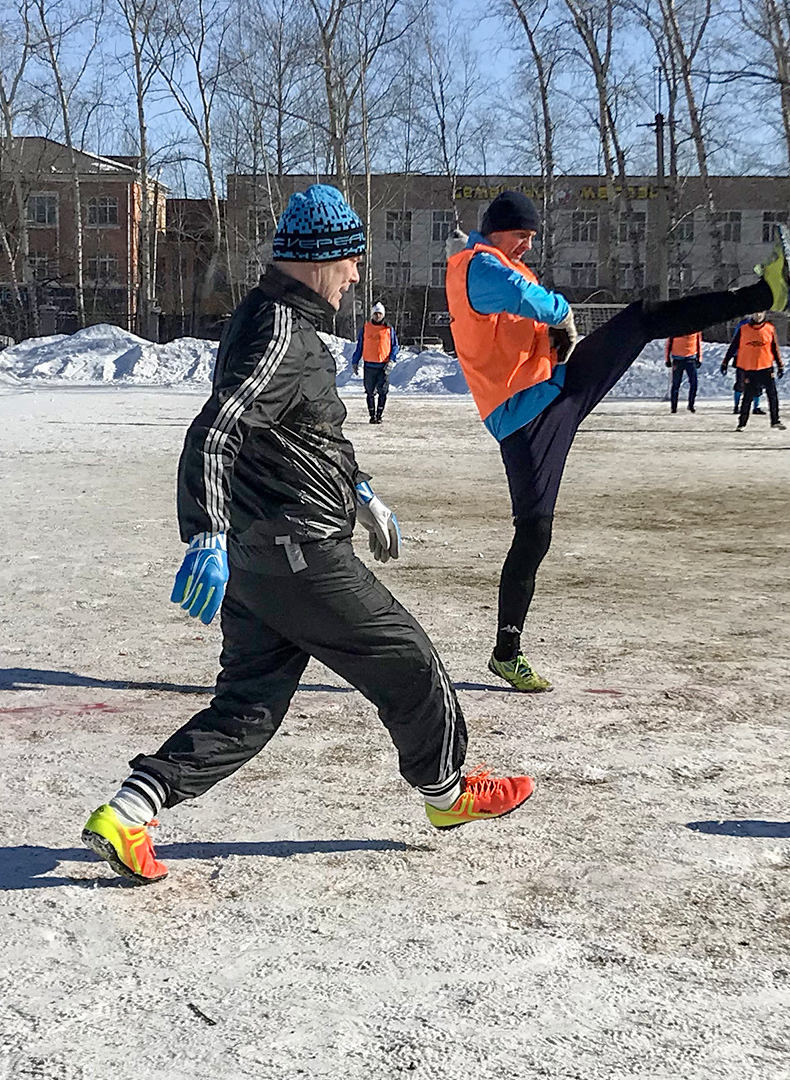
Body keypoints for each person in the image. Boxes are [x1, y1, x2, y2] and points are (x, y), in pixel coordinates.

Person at [80, 184, 533, 885]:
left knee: (249, 708)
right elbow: (217, 429)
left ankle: (130, 811)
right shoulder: (281, 333)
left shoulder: (284, 325)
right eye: (351, 260)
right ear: (321, 260)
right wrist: (203, 533)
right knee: (409, 660)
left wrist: (361, 494)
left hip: (266, 554)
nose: (356, 275)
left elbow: (308, 429)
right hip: (297, 551)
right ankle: (447, 793)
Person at [446, 189, 790, 692]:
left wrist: (551, 339)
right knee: (534, 531)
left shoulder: (484, 262)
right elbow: (530, 300)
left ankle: (763, 295)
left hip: (555, 386)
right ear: (499, 228)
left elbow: (510, 327)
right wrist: (562, 316)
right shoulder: (479, 267)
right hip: (524, 420)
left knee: (642, 318)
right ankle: (507, 651)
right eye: (522, 235)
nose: (527, 245)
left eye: (531, 237)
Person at [722, 313, 786, 431]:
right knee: (748, 397)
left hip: (766, 367)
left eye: (760, 313)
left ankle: (775, 420)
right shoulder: (744, 329)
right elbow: (733, 346)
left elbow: (774, 348)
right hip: (749, 368)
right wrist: (725, 362)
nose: (758, 316)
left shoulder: (769, 329)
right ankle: (742, 423)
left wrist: (780, 365)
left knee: (772, 395)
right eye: (756, 313)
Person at [350, 301, 398, 424]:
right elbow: (360, 346)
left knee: (383, 391)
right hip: (369, 365)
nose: (377, 316)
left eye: (379, 314)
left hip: (383, 366)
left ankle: (379, 415)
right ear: (372, 315)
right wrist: (355, 361)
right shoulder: (366, 328)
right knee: (370, 392)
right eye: (375, 314)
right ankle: (372, 416)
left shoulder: (388, 329)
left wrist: (392, 360)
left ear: (383, 315)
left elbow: (395, 346)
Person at [666, 332, 702, 413]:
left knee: (694, 383)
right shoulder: (676, 328)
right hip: (677, 360)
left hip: (691, 359)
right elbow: (668, 343)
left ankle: (691, 404)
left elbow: (698, 343)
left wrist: (699, 358)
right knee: (675, 384)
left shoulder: (696, 329)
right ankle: (674, 407)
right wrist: (667, 359)